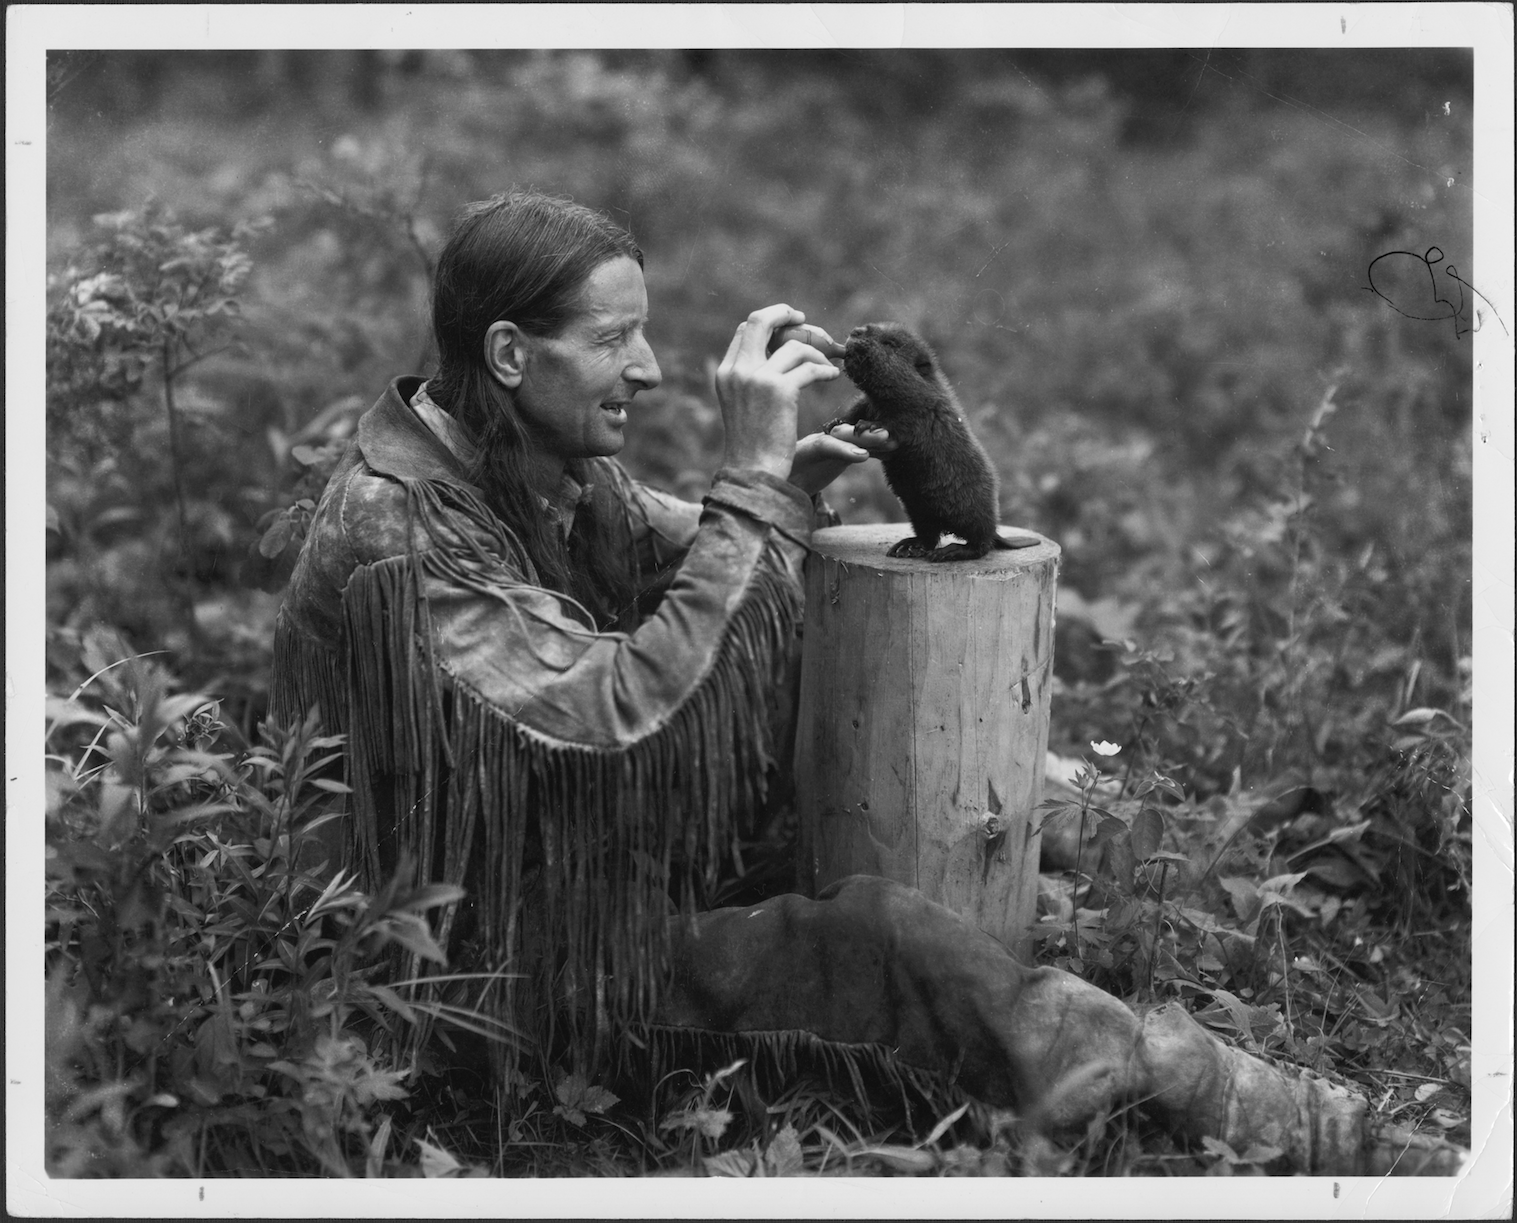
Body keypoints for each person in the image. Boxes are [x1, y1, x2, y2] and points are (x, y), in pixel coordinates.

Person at [272, 191, 1459, 1175]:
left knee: (924, 789)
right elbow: (625, 720)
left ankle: (1180, 883)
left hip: (583, 850)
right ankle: (1274, 1117)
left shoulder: (522, 452)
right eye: (609, 339)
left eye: (643, 329)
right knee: (878, 937)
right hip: (504, 956)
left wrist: (781, 492)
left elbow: (690, 566)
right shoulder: (402, 529)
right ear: (509, 353)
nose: (646, 364)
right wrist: (746, 482)